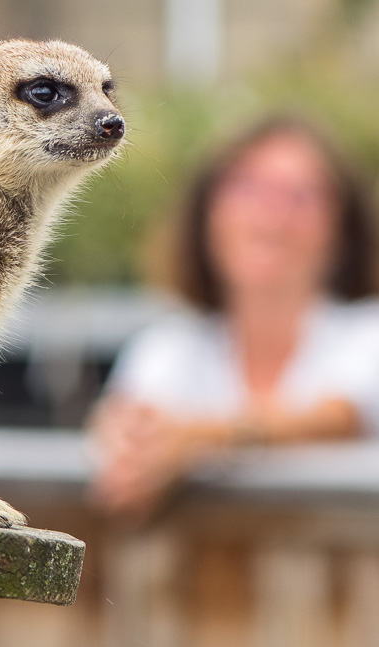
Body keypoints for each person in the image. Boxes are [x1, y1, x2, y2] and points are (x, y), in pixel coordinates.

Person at [91, 114, 379, 517]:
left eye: (300, 195)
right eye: (247, 188)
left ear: (343, 229)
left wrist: (203, 441)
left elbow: (347, 414)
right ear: (207, 214)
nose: (271, 215)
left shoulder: (368, 334)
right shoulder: (169, 347)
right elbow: (125, 430)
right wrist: (126, 445)